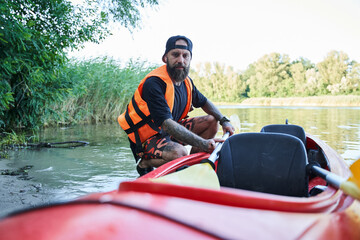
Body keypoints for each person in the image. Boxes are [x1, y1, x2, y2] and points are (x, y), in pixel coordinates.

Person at [118, 35, 235, 176]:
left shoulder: (187, 82)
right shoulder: (154, 83)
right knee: (180, 152)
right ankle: (145, 163)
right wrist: (203, 143)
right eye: (175, 55)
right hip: (147, 139)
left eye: (186, 56)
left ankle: (192, 166)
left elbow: (204, 102)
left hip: (169, 133)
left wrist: (224, 120)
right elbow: (167, 124)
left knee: (211, 121)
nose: (181, 60)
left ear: (190, 59)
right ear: (165, 58)